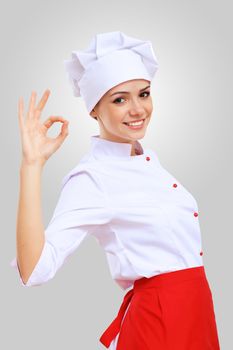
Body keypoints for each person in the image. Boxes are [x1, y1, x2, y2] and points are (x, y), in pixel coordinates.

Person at [11, 31, 221, 349]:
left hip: (196, 313)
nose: (137, 109)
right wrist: (31, 166)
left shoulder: (148, 159)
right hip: (159, 323)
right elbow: (35, 270)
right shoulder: (93, 178)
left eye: (144, 93)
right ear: (94, 109)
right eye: (119, 99)